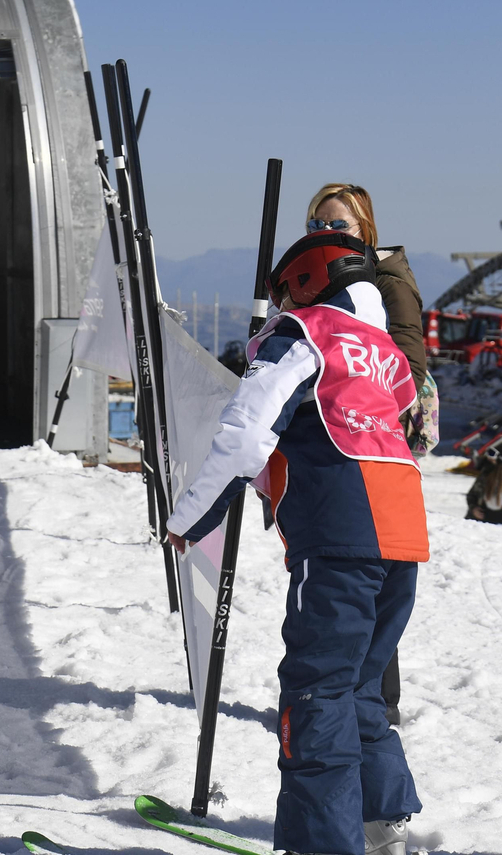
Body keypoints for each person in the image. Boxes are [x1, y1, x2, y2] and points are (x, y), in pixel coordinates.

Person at [165, 230, 427, 855]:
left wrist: (192, 518)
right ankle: (381, 819)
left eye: (283, 290)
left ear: (307, 280)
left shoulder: (303, 334)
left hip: (340, 532)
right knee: (360, 684)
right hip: (404, 531)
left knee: (317, 690)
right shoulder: (385, 350)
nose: (279, 304)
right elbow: (382, 417)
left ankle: (323, 842)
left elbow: (246, 434)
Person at [306, 182, 431, 724]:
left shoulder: (386, 280)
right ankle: (341, 695)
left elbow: (408, 367)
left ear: (365, 230)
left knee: (372, 574)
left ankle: (377, 702)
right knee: (339, 578)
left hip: (375, 446)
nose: (326, 233)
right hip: (331, 447)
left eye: (339, 225)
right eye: (317, 225)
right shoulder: (313, 278)